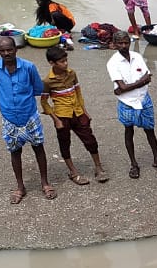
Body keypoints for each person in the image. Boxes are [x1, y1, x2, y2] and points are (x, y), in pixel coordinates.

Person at [0, 34, 53, 204]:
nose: (7, 53)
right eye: (3, 51)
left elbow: (37, 88)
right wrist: (2, 103)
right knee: (15, 152)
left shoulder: (28, 67)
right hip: (9, 117)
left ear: (15, 49)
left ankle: (45, 183)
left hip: (29, 114)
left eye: (9, 50)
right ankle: (20, 187)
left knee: (39, 148)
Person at [106, 29, 157, 178]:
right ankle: (133, 164)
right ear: (115, 45)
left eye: (126, 42)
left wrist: (127, 87)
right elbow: (124, 87)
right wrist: (139, 82)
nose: (124, 45)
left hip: (143, 98)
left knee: (150, 129)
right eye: (121, 43)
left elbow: (147, 76)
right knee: (128, 131)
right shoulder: (113, 63)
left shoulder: (137, 56)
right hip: (127, 103)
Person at [40, 45, 108, 186]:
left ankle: (98, 167)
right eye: (62, 62)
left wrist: (84, 110)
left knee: (90, 140)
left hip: (77, 112)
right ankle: (73, 172)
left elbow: (78, 93)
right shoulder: (47, 82)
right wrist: (55, 119)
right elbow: (44, 102)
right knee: (65, 144)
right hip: (62, 115)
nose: (65, 64)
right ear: (52, 63)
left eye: (66, 60)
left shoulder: (72, 74)